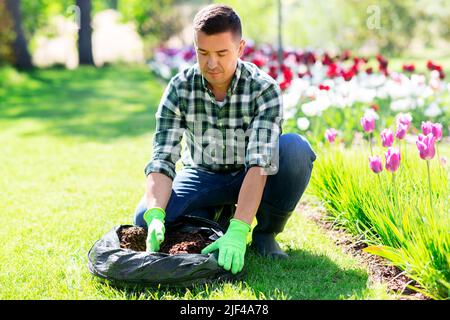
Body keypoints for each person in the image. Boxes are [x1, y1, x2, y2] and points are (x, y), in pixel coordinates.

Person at [133, 4, 316, 275]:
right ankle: (214, 219)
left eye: (221, 53)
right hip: (202, 174)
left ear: (240, 48)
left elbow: (259, 165)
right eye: (202, 52)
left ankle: (265, 235)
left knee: (295, 149)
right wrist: (157, 214)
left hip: (250, 174)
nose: (211, 63)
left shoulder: (263, 89)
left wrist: (240, 230)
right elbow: (163, 157)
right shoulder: (179, 87)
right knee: (143, 217)